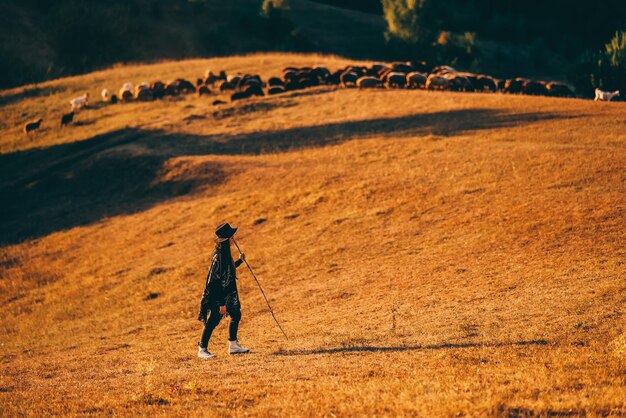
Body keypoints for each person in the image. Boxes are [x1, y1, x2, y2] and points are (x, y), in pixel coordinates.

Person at [197, 223, 250, 359]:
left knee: (236, 315)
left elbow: (227, 271)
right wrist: (221, 304)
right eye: (232, 236)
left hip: (229, 294)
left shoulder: (225, 254)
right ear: (227, 239)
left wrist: (239, 261)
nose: (234, 239)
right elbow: (216, 281)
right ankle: (202, 349)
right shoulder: (219, 257)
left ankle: (233, 345)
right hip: (218, 295)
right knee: (213, 320)